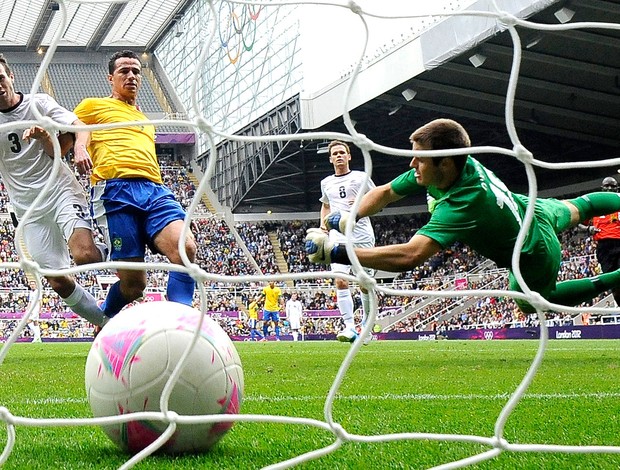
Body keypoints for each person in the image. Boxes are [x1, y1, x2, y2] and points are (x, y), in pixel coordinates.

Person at [306, 118, 620, 314]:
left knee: (532, 301)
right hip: (532, 208)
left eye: (421, 158)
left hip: (532, 250)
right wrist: (351, 217)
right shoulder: (454, 166)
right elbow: (386, 192)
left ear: (445, 164)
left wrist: (338, 252)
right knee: (583, 206)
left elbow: (410, 256)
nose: (413, 164)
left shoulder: (462, 204)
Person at [73, 50, 197, 320]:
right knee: (134, 286)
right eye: (124, 71)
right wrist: (80, 146)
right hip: (115, 191)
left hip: (155, 189)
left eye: (136, 71)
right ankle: (104, 320)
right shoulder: (93, 105)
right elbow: (73, 126)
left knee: (185, 248)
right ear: (111, 77)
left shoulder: (145, 119)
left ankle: (182, 321)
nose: (131, 76)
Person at [0, 53, 107, 328]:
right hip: (28, 211)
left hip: (60, 191)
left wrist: (79, 146)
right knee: (57, 280)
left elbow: (77, 128)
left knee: (85, 256)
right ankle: (108, 320)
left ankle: (119, 246)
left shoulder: (39, 104)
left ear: (11, 77)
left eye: (0, 77)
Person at [318, 140, 376, 343]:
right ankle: (350, 327)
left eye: (342, 152)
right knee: (340, 280)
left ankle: (366, 329)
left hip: (362, 235)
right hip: (338, 236)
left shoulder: (361, 177)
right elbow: (326, 205)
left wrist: (361, 204)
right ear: (330, 158)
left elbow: (378, 200)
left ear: (349, 156)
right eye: (335, 153)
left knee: (364, 284)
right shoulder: (326, 183)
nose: (339, 156)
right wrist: (323, 226)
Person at [580, 176, 620, 305]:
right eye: (607, 186)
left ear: (617, 188)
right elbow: (578, 223)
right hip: (604, 247)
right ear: (602, 188)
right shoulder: (595, 204)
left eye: (612, 186)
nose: (609, 189)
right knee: (612, 281)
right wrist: (588, 228)